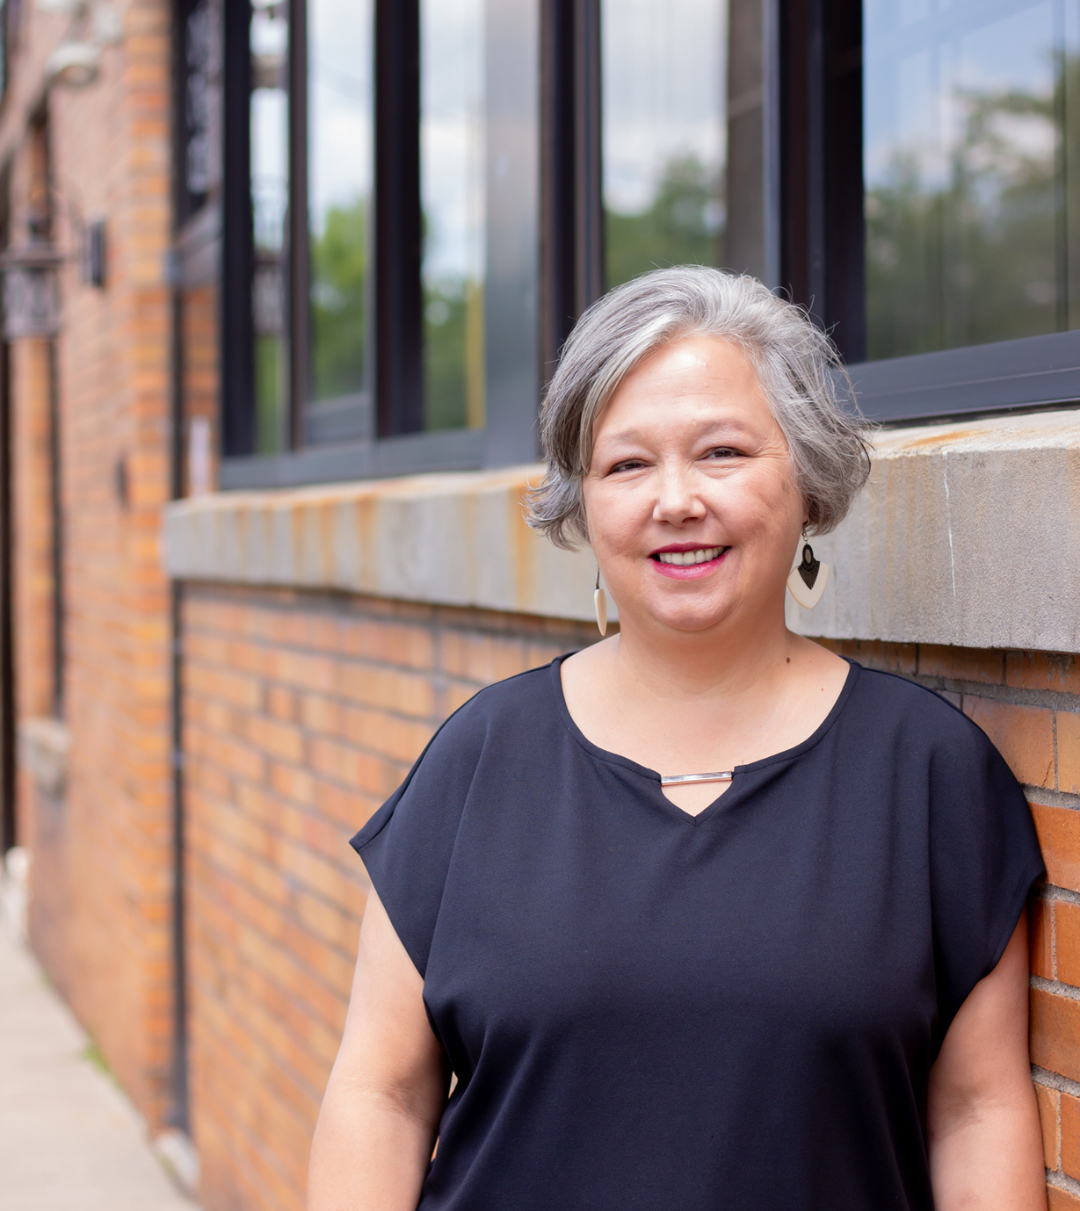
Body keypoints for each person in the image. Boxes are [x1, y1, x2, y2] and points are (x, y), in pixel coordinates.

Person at [308, 267, 1047, 1211]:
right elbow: (382, 1094)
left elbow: (976, 1112)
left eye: (722, 452)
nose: (676, 500)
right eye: (626, 465)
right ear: (583, 503)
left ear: (807, 475)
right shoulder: (480, 760)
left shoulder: (928, 776)